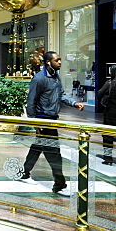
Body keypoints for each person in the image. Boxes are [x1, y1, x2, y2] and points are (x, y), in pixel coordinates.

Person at [20, 51, 85, 195]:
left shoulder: (56, 76)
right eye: (57, 60)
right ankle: (59, 185)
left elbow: (60, 94)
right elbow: (31, 102)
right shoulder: (39, 79)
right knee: (54, 152)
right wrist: (35, 122)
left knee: (37, 147)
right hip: (44, 120)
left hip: (51, 119)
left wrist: (74, 103)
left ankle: (24, 172)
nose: (60, 63)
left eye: (60, 60)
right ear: (48, 62)